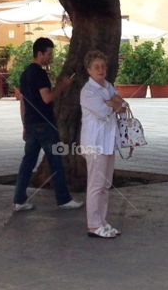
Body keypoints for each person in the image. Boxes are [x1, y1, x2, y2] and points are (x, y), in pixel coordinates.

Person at [13, 38, 82, 213]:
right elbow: (47, 98)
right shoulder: (40, 74)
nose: (51, 57)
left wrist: (24, 126)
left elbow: (23, 103)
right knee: (56, 162)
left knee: (27, 163)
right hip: (45, 124)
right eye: (49, 53)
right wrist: (63, 86)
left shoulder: (25, 74)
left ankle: (19, 200)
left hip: (30, 124)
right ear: (40, 53)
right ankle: (63, 199)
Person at [80, 49, 128, 239]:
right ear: (89, 70)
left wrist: (111, 102)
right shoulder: (88, 91)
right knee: (96, 185)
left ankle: (102, 221)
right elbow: (104, 111)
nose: (101, 70)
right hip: (95, 144)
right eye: (96, 67)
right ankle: (93, 225)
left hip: (108, 143)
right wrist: (112, 103)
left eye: (103, 66)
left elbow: (122, 105)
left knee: (106, 185)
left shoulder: (107, 85)